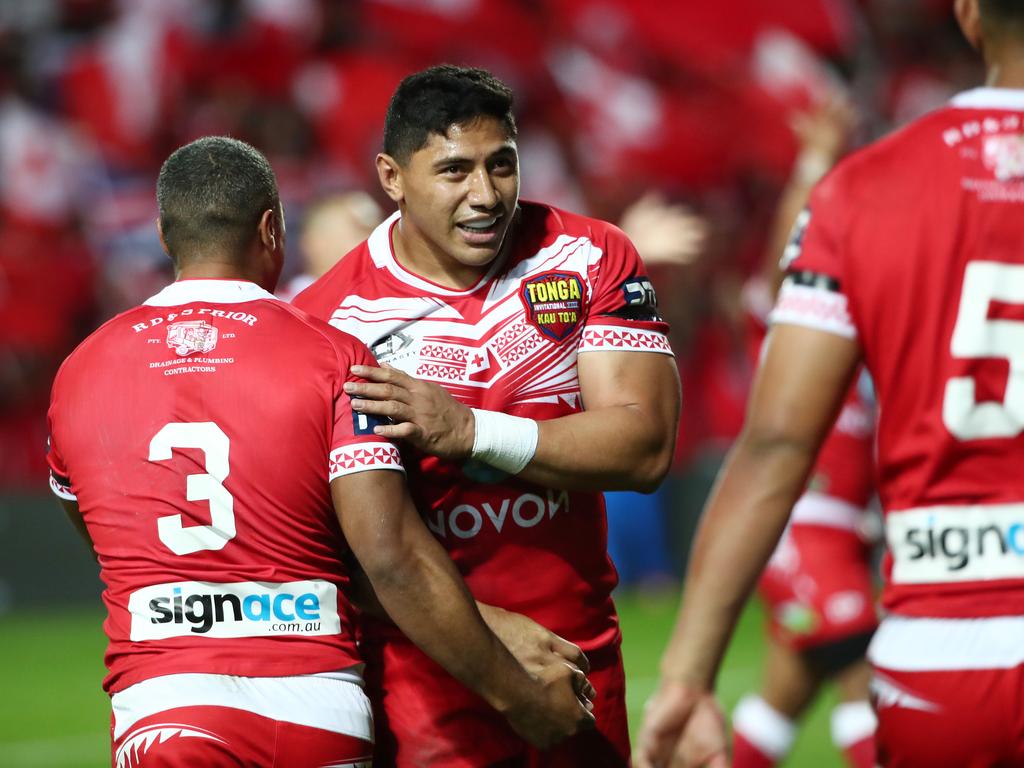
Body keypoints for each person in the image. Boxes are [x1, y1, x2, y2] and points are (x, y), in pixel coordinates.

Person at [46, 136, 594, 767]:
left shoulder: (80, 372)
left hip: (166, 702)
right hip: (315, 703)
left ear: (166, 239)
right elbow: (391, 558)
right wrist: (518, 698)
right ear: (271, 229)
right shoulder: (334, 358)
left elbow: (99, 533)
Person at [636, 1, 1024, 766]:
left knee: (806, 681)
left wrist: (686, 679)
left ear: (969, 15)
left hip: (942, 646)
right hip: (856, 546)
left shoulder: (864, 190)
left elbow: (777, 442)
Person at [293, 64, 681, 767]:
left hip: (579, 666)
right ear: (391, 176)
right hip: (426, 691)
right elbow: (318, 550)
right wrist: (483, 633)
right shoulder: (328, 323)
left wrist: (471, 430)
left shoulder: (586, 257)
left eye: (501, 165)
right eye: (453, 171)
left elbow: (645, 447)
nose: (485, 195)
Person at [732, 96, 879, 768]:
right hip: (800, 525)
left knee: (781, 700)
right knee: (871, 677)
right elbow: (790, 247)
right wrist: (818, 160)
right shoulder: (783, 324)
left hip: (848, 536)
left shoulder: (860, 343)